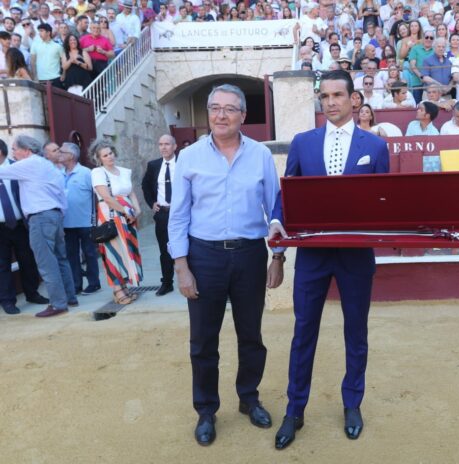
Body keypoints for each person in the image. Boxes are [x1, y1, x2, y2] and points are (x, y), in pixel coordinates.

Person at [273, 70, 389, 450]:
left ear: (353, 99)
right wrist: (277, 230)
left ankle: (352, 404)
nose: (331, 102)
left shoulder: (376, 146)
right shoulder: (303, 143)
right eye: (324, 96)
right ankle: (294, 410)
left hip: (356, 255)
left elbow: (383, 200)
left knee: (356, 332)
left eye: (338, 94)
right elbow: (286, 194)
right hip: (313, 254)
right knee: (303, 332)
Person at [167, 84, 283, 447]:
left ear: (243, 116)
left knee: (251, 335)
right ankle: (206, 410)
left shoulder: (261, 155)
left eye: (230, 109)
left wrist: (277, 256)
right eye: (215, 108)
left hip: (250, 255)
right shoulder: (189, 157)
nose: (221, 115)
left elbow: (276, 210)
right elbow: (178, 215)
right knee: (203, 340)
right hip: (204, 257)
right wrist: (182, 266)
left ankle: (249, 398)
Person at [0, 135, 77, 318]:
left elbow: (2, 172)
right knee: (61, 259)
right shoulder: (46, 165)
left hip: (40, 218)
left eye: (15, 149)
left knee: (46, 263)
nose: (13, 153)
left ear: (26, 150)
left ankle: (58, 304)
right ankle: (70, 297)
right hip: (55, 215)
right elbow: (61, 194)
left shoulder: (29, 164)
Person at [90, 139, 143, 306]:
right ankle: (117, 289)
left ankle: (125, 286)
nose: (109, 157)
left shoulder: (124, 171)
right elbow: (106, 197)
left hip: (128, 217)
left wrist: (137, 210)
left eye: (110, 153)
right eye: (105, 155)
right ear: (99, 158)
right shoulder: (98, 172)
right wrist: (126, 211)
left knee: (127, 250)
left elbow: (131, 193)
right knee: (113, 252)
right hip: (111, 216)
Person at [0, 138, 48, 315]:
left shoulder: (19, 167)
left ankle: (32, 293)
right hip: (0, 228)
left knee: (28, 260)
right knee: (2, 265)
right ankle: (7, 301)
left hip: (21, 224)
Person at [60, 142, 101, 296]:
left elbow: (98, 194)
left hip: (85, 222)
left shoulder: (86, 173)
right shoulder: (59, 173)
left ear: (71, 156)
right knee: (71, 255)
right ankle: (76, 285)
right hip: (66, 223)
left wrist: (97, 217)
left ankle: (94, 283)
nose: (59, 154)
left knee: (89, 253)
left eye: (62, 152)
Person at [141, 134, 177, 296]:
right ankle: (167, 283)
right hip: (163, 214)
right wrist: (152, 203)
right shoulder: (154, 165)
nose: (163, 147)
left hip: (182, 214)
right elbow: (145, 185)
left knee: (191, 248)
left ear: (174, 146)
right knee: (165, 250)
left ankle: (195, 281)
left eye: (167, 144)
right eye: (161, 144)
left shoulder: (183, 163)